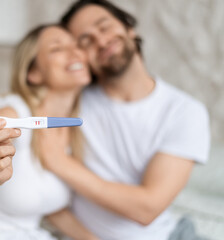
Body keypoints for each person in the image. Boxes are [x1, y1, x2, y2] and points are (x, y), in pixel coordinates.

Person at [36, 1, 210, 240]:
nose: (100, 39)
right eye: (85, 40)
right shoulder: (71, 105)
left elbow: (147, 208)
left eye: (104, 26)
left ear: (129, 29)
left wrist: (61, 163)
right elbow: (40, 194)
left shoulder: (185, 111)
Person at [0, 24, 99, 240]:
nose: (75, 52)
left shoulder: (74, 131)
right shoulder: (13, 113)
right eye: (57, 49)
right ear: (33, 73)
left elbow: (50, 208)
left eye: (77, 45)